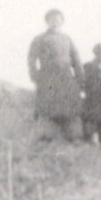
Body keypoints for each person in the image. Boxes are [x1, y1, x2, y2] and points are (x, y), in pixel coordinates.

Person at [28, 9, 85, 142]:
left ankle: (73, 136)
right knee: (47, 107)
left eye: (58, 19)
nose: (55, 21)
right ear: (47, 21)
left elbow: (76, 60)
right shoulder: (40, 39)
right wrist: (34, 75)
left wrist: (80, 78)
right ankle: (46, 135)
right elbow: (31, 58)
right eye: (51, 19)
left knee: (69, 107)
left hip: (66, 77)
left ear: (62, 21)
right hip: (47, 77)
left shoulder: (67, 39)